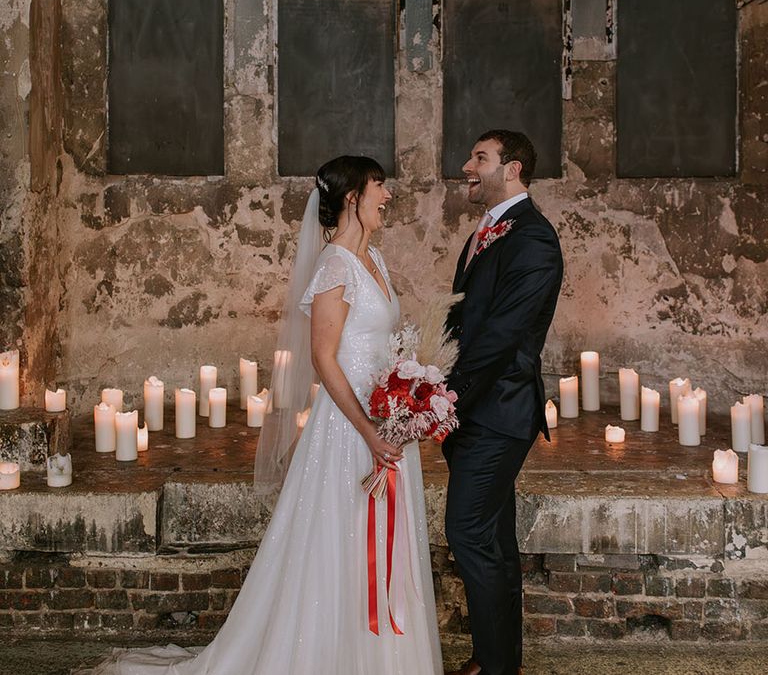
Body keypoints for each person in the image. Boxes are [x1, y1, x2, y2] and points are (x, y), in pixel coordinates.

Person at [77, 156, 443, 674]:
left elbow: (384, 345)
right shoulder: (335, 263)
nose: (388, 195)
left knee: (381, 542)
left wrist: (409, 399)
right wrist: (368, 427)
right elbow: (323, 357)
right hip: (349, 428)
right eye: (379, 186)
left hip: (388, 423)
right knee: (338, 540)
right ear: (352, 198)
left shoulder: (375, 261)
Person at [443, 131, 563, 675]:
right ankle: (497, 662)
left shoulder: (533, 238)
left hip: (499, 411)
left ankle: (495, 669)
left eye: (480, 158)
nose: (467, 166)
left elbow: (502, 335)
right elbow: (463, 320)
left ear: (512, 169)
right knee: (492, 538)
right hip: (476, 412)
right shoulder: (488, 231)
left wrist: (446, 396)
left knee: (467, 531)